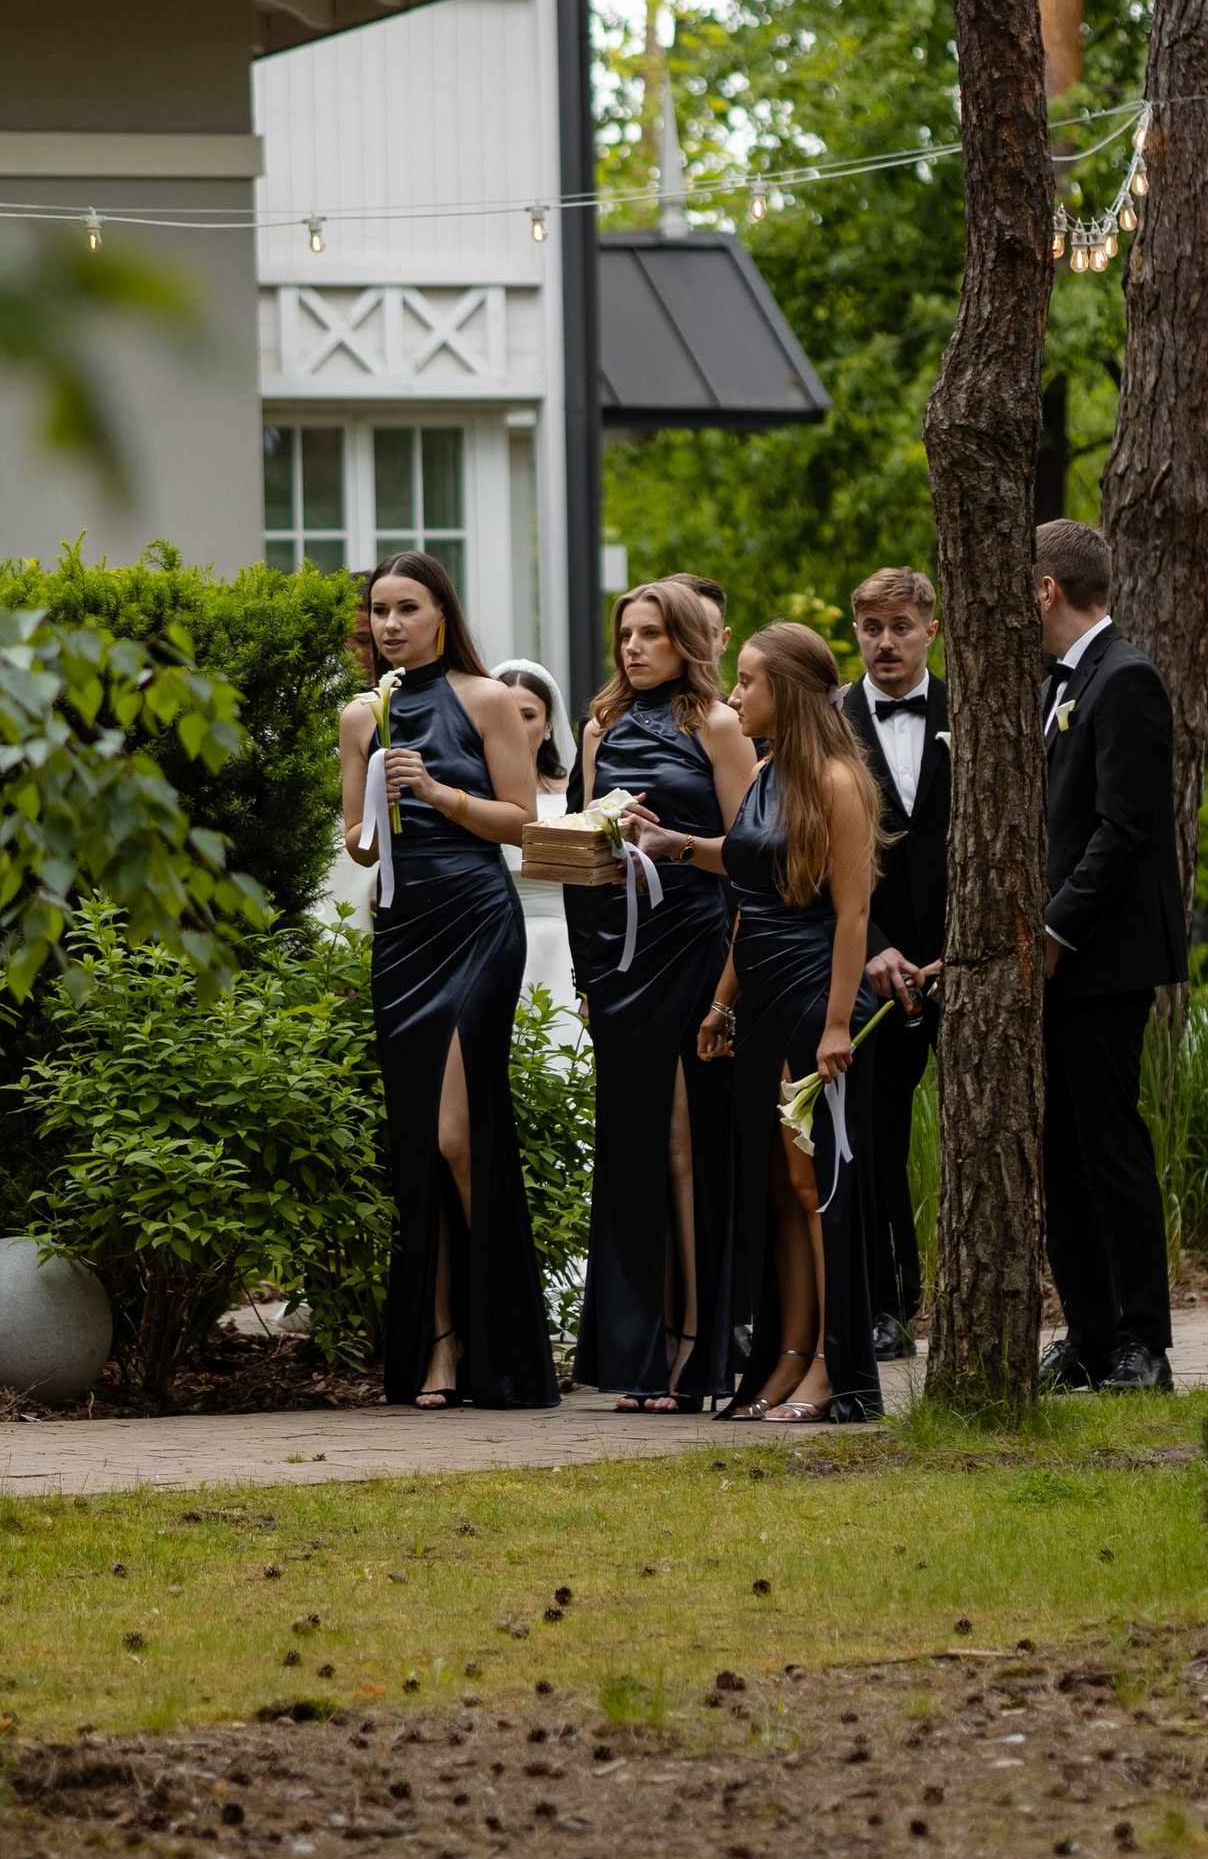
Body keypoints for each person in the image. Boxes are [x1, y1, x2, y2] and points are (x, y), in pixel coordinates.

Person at [634, 622, 883, 1423]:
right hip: (763, 998)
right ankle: (788, 1356)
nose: (734, 694)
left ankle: (833, 1370)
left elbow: (853, 915)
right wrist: (721, 1002)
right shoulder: (767, 774)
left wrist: (838, 1024)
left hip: (817, 998)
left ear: (791, 694)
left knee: (815, 1186)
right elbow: (749, 887)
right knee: (776, 1188)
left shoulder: (839, 782)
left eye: (747, 682)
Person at [339, 555, 558, 1412]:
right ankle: (437, 1343)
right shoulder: (360, 715)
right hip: (403, 934)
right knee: (418, 1142)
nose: (390, 624)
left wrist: (434, 791)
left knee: (460, 1135)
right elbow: (358, 842)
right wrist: (375, 811)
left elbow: (523, 822)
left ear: (441, 614)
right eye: (379, 611)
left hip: (477, 923)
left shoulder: (487, 699)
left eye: (407, 608)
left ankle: (499, 1343)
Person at [564, 580, 757, 1411]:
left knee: (688, 1146)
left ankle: (694, 1345)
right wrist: (586, 974)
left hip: (694, 946)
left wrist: (671, 844)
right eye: (626, 635)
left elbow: (753, 856)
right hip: (619, 958)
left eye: (651, 634)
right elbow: (580, 857)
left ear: (686, 641)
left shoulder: (717, 724)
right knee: (633, 1148)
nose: (634, 648)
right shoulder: (598, 726)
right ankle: (637, 1352)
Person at [1032, 517, 1188, 1394]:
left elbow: (1124, 831)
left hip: (1104, 958)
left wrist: (1056, 934)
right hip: (1057, 957)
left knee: (1109, 1145)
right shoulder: (1054, 684)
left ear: (1047, 589)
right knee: (1060, 1151)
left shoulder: (1126, 679)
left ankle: (1141, 1340)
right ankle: (1089, 1334)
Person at [842, 567, 948, 1359]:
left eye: (901, 626)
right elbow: (816, 848)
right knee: (876, 1135)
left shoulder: (974, 712)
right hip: (871, 959)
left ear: (930, 632)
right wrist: (872, 943)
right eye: (873, 627)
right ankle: (888, 1304)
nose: (886, 642)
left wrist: (967, 947)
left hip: (964, 957)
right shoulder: (830, 722)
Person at [494, 655, 575, 785]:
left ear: (548, 725)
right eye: (507, 714)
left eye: (528, 716)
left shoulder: (569, 791)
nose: (517, 725)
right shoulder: (470, 791)